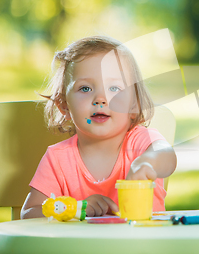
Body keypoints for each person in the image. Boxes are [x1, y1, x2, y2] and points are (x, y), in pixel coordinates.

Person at [21, 36, 177, 219]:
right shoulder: (57, 159)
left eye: (115, 88)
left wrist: (146, 163)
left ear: (134, 104)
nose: (100, 99)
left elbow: (166, 155)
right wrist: (76, 209)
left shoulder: (140, 143)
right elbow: (29, 214)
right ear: (64, 105)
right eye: (85, 88)